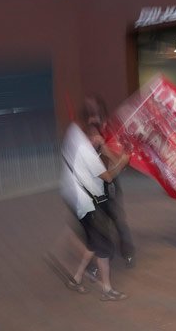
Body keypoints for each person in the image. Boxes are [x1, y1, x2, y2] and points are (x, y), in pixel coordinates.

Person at [59, 100, 130, 301]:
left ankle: (76, 278)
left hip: (73, 198)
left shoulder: (73, 133)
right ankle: (107, 290)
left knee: (91, 244)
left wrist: (100, 145)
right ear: (90, 136)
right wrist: (122, 163)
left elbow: (82, 126)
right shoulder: (87, 152)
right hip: (87, 204)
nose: (99, 138)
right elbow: (108, 176)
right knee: (104, 248)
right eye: (96, 136)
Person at [86, 94, 136, 267]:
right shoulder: (89, 130)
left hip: (110, 181)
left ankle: (127, 251)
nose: (91, 113)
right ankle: (103, 255)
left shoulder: (110, 131)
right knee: (98, 221)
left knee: (116, 217)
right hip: (94, 182)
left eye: (93, 108)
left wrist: (108, 151)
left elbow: (118, 160)